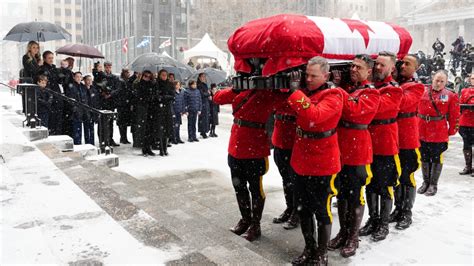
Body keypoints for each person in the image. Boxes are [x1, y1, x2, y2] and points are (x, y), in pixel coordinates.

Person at [286, 56, 343, 265]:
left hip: (323, 162)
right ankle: (309, 248)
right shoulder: (306, 92)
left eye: (313, 75)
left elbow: (315, 116)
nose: (308, 79)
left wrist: (295, 92)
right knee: (302, 208)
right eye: (306, 75)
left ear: (326, 76)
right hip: (301, 159)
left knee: (322, 210)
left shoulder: (335, 94)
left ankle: (321, 253)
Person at [213, 75, 281, 243]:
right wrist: (236, 88)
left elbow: (285, 104)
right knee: (239, 186)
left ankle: (255, 225)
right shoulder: (242, 88)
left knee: (256, 188)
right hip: (235, 146)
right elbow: (217, 98)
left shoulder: (268, 91)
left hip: (255, 148)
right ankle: (245, 219)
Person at [328, 54, 380, 258]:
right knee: (341, 194)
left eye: (359, 67)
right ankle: (343, 232)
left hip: (358, 151)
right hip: (340, 149)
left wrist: (336, 88)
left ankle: (353, 237)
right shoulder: (350, 90)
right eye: (352, 66)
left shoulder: (371, 93)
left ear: (369, 71)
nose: (354, 70)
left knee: (355, 195)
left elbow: (353, 111)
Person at [360, 51, 403, 242]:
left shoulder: (394, 89)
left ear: (392, 68)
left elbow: (374, 107)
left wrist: (364, 88)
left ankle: (384, 223)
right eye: (376, 64)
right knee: (370, 184)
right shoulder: (372, 87)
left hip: (385, 144)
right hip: (369, 143)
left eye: (382, 65)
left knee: (385, 186)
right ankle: (373, 219)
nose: (378, 67)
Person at [389, 54, 425, 230]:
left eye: (407, 64)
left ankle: (407, 212)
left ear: (416, 68)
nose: (403, 66)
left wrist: (393, 84)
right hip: (394, 139)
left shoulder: (417, 87)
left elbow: (402, 103)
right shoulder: (398, 84)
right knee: (396, 176)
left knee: (407, 176)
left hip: (409, 140)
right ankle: (398, 208)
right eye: (401, 63)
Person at [417, 70, 460, 196]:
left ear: (446, 82)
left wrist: (452, 130)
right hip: (421, 129)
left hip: (438, 132)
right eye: (437, 80)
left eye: (442, 81)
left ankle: (433, 184)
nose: (439, 83)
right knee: (424, 156)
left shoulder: (450, 95)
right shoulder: (422, 91)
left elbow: (455, 115)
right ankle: (425, 182)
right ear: (432, 78)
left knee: (436, 157)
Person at [271, 85, 299, 230]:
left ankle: (297, 211)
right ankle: (289, 208)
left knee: (295, 180)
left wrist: (294, 89)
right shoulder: (277, 89)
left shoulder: (300, 90)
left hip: (294, 141)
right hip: (280, 139)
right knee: (285, 178)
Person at [37, 51, 64, 135]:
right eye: (49, 58)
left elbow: (59, 81)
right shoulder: (42, 69)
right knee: (51, 119)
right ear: (44, 58)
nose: (51, 60)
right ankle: (52, 133)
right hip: (49, 95)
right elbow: (43, 82)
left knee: (58, 118)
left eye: (52, 58)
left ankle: (57, 133)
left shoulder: (54, 68)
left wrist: (61, 75)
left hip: (56, 94)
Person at [134, 71, 157, 156]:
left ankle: (148, 147)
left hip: (150, 109)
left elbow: (154, 94)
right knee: (144, 130)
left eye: (148, 76)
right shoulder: (140, 84)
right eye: (145, 76)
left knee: (150, 130)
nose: (147, 78)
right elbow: (139, 96)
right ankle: (144, 147)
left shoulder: (152, 84)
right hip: (143, 109)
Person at [155, 69, 175, 156]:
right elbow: (156, 96)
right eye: (162, 75)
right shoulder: (156, 84)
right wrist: (163, 98)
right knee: (160, 129)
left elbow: (173, 96)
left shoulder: (170, 84)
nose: (164, 76)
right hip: (159, 109)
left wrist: (164, 97)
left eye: (165, 75)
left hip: (167, 108)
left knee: (167, 128)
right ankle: (161, 149)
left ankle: (165, 148)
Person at [101, 61, 121, 147]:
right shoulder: (101, 76)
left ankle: (110, 139)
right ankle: (103, 139)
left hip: (111, 102)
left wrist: (110, 94)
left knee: (110, 122)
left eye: (109, 67)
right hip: (103, 102)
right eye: (106, 67)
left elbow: (117, 89)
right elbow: (98, 86)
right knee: (103, 122)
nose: (108, 68)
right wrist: (103, 93)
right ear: (104, 67)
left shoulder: (114, 77)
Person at [67, 72, 90, 145]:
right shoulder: (71, 86)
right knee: (76, 129)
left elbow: (86, 97)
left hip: (84, 110)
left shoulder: (83, 86)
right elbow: (70, 98)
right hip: (76, 111)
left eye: (80, 77)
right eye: (77, 77)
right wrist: (74, 108)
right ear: (74, 77)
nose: (79, 78)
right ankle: (77, 144)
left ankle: (85, 143)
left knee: (85, 128)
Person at [459, 73, 474, 176]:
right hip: (465, 122)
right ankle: (468, 166)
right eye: (473, 78)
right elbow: (459, 105)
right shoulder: (465, 91)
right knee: (466, 145)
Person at [116, 69, 134, 144]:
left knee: (125, 122)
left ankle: (124, 137)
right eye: (127, 73)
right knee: (122, 122)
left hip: (126, 104)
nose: (128, 74)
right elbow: (120, 92)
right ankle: (123, 137)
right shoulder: (121, 81)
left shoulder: (127, 81)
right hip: (122, 105)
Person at [83, 75, 100, 145]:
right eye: (88, 80)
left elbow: (96, 100)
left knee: (92, 128)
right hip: (86, 110)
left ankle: (92, 143)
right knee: (86, 128)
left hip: (93, 111)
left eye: (91, 80)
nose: (89, 81)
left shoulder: (94, 89)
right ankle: (87, 142)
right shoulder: (83, 89)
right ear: (85, 81)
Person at [197, 73, 211, 138]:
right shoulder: (199, 85)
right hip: (202, 103)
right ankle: (203, 131)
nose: (203, 78)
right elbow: (201, 94)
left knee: (206, 118)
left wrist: (208, 94)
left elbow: (205, 93)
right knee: (202, 118)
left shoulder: (205, 85)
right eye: (202, 77)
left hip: (206, 102)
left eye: (204, 77)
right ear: (199, 77)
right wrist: (208, 94)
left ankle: (205, 131)